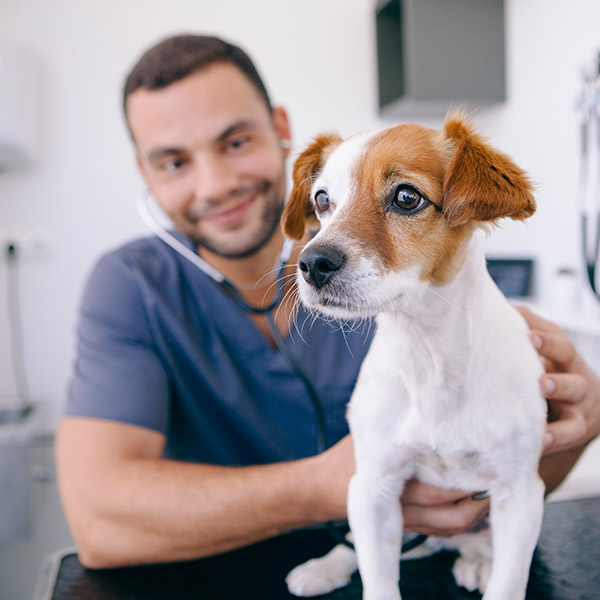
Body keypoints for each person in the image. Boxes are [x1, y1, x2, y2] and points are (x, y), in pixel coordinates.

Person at [56, 34, 600, 574]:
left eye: (236, 142)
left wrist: (579, 422)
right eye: (173, 162)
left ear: (280, 130)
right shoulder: (130, 285)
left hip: (420, 557)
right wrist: (331, 483)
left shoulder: (423, 291)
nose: (215, 184)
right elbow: (100, 527)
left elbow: (500, 489)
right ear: (144, 173)